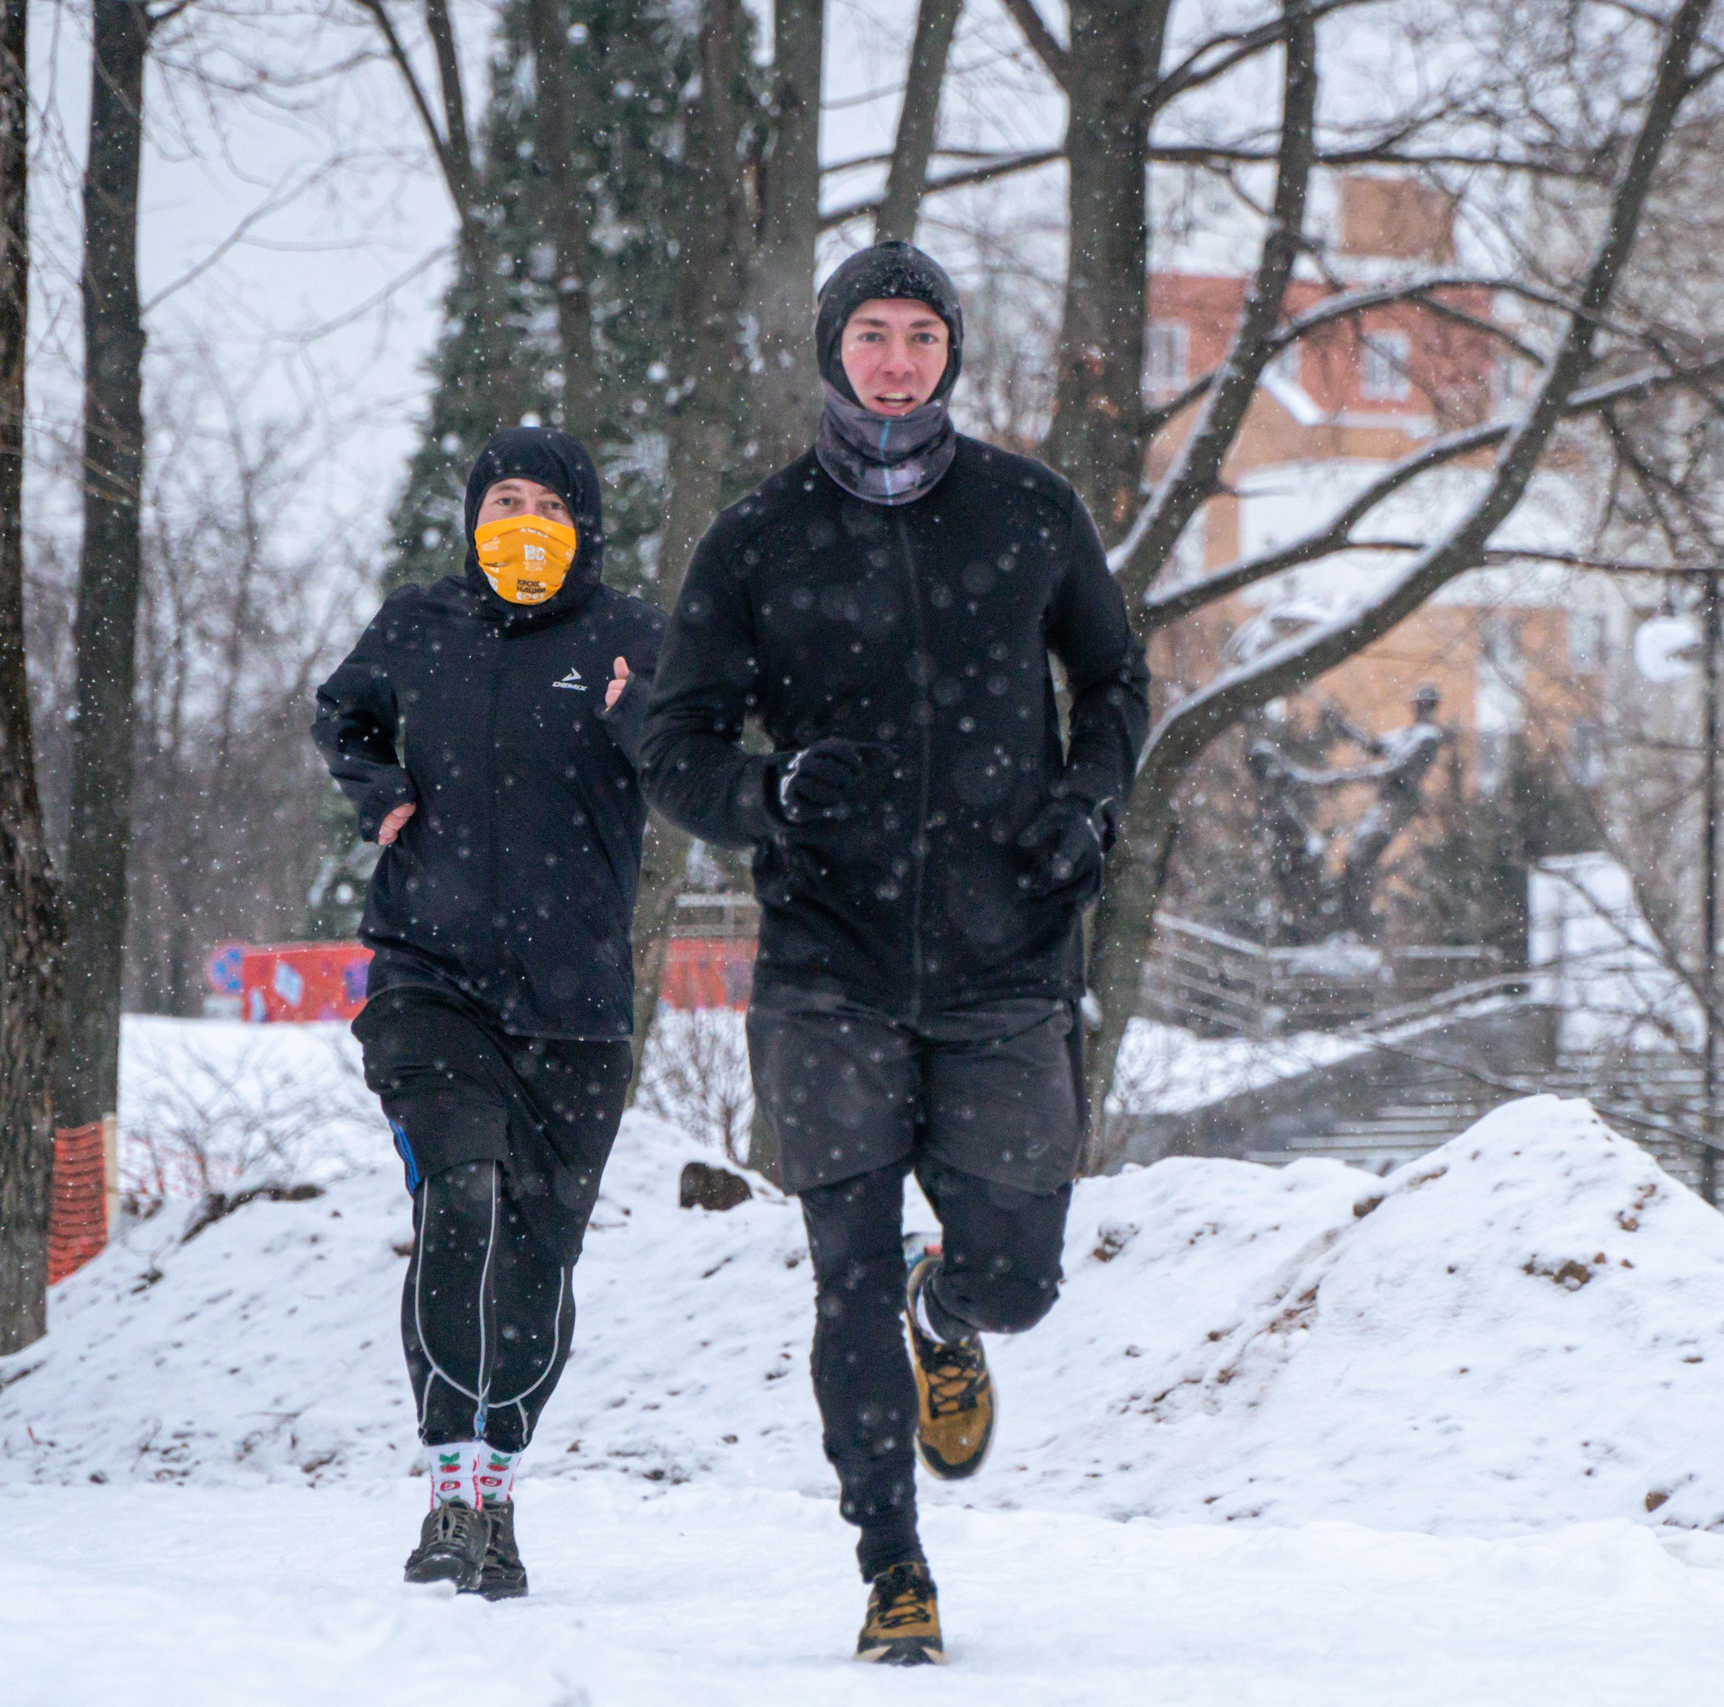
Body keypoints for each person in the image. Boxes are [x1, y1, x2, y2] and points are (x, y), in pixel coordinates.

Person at [623, 241, 1149, 1664]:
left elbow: (1113, 679)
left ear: (953, 353)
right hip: (829, 962)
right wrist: (765, 797)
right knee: (840, 1269)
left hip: (1006, 952)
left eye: (923, 333)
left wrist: (1087, 806)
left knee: (1024, 1273)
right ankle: (892, 1563)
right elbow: (671, 745)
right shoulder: (756, 538)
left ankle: (953, 1304)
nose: (898, 358)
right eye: (873, 333)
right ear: (831, 350)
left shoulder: (1030, 513)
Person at [313, 426, 664, 1599]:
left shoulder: (628, 639)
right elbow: (343, 712)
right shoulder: (423, 624)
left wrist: (645, 721)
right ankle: (447, 1483)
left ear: (584, 528)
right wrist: (380, 793)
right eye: (503, 500)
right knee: (461, 1196)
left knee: (538, 1251)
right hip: (431, 973)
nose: (524, 521)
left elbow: (694, 762)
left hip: (577, 1006)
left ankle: (498, 1479)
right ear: (473, 520)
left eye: (548, 505)